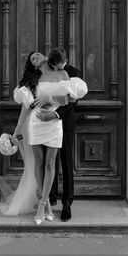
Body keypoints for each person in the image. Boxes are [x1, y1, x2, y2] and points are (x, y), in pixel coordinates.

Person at [2, 51, 87, 225]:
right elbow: (26, 107)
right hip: (36, 124)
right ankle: (46, 203)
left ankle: (61, 203)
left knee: (54, 163)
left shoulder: (63, 73)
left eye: (38, 55)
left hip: (56, 123)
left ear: (46, 57)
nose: (36, 58)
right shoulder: (31, 80)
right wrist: (18, 129)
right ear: (32, 65)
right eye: (32, 58)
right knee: (40, 164)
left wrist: (48, 98)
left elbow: (67, 100)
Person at [35, 48, 81, 222]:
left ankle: (67, 204)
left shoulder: (74, 73)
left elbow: (72, 102)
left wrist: (55, 114)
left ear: (66, 60)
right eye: (54, 66)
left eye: (59, 66)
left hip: (64, 123)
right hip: (46, 125)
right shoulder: (49, 69)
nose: (56, 69)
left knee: (66, 162)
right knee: (49, 161)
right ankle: (50, 197)